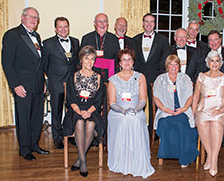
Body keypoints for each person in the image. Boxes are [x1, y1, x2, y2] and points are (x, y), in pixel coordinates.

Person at [1, 7, 49, 160]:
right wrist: (15, 85)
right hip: (22, 85)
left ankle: (34, 145)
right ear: (22, 17)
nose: (33, 20)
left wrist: (43, 81)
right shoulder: (12, 35)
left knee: (36, 117)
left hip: (37, 84)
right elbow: (7, 63)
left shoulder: (38, 36)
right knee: (23, 118)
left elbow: (40, 63)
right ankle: (24, 149)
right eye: (30, 17)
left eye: (36, 17)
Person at [107, 49, 155, 179]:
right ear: (119, 63)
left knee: (135, 119)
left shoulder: (140, 77)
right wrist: (123, 111)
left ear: (133, 61)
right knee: (123, 120)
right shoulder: (113, 80)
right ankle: (122, 161)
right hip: (118, 111)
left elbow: (142, 100)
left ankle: (136, 161)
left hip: (136, 110)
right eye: (124, 60)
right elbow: (112, 103)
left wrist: (135, 110)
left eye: (129, 59)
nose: (127, 62)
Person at [62, 45, 104, 177]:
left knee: (91, 124)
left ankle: (80, 159)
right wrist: (79, 111)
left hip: (92, 110)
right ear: (81, 60)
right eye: (87, 59)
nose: (89, 62)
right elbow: (70, 98)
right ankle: (83, 161)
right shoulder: (73, 76)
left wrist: (89, 111)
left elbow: (99, 100)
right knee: (80, 122)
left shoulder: (98, 77)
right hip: (75, 110)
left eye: (92, 59)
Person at [192, 51, 224, 177]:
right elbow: (195, 97)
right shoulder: (201, 77)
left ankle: (214, 161)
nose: (214, 63)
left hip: (223, 109)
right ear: (208, 62)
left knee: (216, 122)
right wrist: (193, 113)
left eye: (217, 61)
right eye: (212, 61)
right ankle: (210, 156)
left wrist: (220, 110)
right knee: (201, 122)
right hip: (204, 108)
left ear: (220, 63)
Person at [153, 54, 199, 168]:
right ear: (167, 66)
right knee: (164, 122)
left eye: (176, 64)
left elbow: (190, 96)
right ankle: (175, 153)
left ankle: (184, 157)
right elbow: (156, 97)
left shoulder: (185, 78)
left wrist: (184, 108)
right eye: (171, 64)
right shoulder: (160, 79)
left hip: (182, 110)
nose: (173, 67)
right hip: (165, 111)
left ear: (179, 66)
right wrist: (165, 109)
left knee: (182, 121)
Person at [43, 17, 80, 149]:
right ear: (55, 28)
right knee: (57, 111)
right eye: (60, 27)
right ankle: (58, 138)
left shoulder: (76, 42)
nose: (63, 29)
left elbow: (76, 62)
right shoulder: (47, 44)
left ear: (69, 27)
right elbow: (45, 65)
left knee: (73, 110)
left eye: (65, 26)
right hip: (56, 83)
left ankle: (70, 134)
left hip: (72, 83)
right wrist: (54, 78)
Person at [133, 13, 169, 135]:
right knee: (138, 104)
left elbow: (165, 60)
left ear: (155, 24)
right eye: (146, 21)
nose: (149, 24)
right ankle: (138, 129)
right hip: (138, 78)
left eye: (151, 22)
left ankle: (155, 132)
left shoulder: (163, 40)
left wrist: (159, 78)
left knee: (157, 106)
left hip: (156, 78)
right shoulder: (135, 39)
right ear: (143, 23)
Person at [80, 13, 120, 82]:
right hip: (91, 76)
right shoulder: (86, 38)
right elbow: (81, 59)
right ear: (95, 23)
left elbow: (117, 59)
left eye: (105, 21)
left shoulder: (114, 39)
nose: (102, 24)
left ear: (107, 23)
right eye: (100, 21)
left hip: (109, 77)